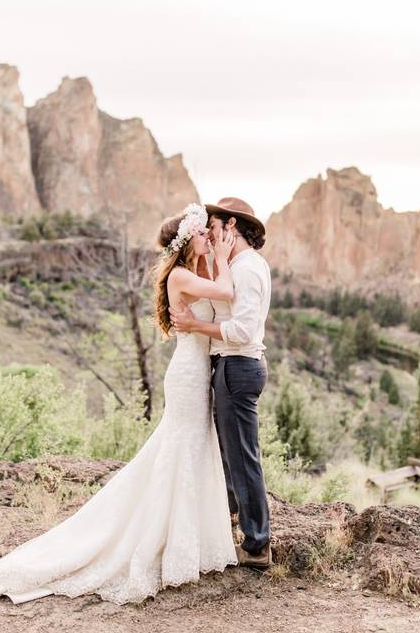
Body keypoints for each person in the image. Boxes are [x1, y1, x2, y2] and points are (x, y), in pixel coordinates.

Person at [0, 203, 240, 605]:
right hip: (187, 373)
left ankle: (186, 539)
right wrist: (222, 256)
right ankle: (157, 539)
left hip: (199, 370)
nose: (209, 237)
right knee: (182, 446)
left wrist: (215, 259)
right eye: (203, 233)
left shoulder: (191, 271)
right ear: (187, 241)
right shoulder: (183, 275)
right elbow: (228, 293)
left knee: (194, 447)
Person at [169, 197, 273, 570]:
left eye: (213, 226)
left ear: (231, 226)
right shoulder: (237, 265)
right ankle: (231, 522)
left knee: (243, 457)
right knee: (231, 455)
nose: (210, 234)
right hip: (231, 366)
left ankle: (258, 545)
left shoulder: (245, 269)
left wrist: (195, 326)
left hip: (237, 365)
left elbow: (242, 329)